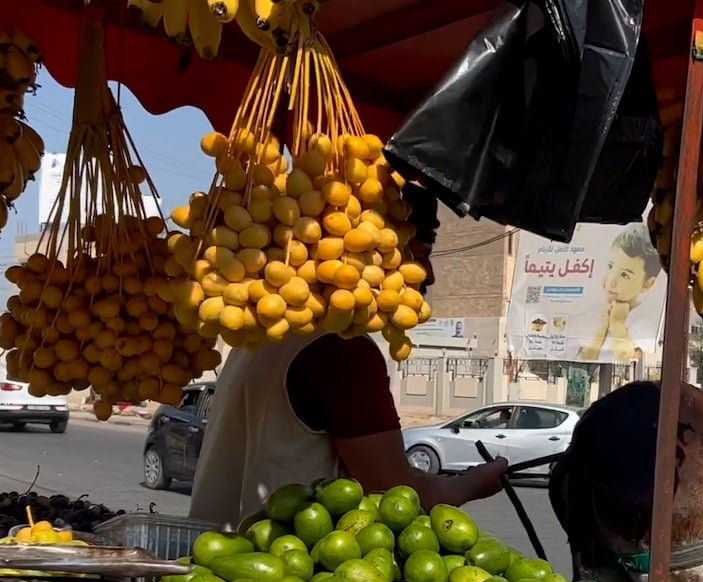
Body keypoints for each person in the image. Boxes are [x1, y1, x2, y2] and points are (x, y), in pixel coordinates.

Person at [189, 184, 509, 530]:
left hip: (215, 559)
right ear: (377, 248)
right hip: (283, 575)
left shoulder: (262, 336)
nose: (429, 274)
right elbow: (394, 493)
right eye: (422, 253)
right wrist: (475, 483)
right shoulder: (341, 351)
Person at [576, 223, 662, 363]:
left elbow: (625, 360)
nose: (611, 281)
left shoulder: (644, 324)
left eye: (625, 275)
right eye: (610, 266)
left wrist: (617, 325)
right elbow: (581, 360)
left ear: (647, 284)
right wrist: (601, 329)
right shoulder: (590, 311)